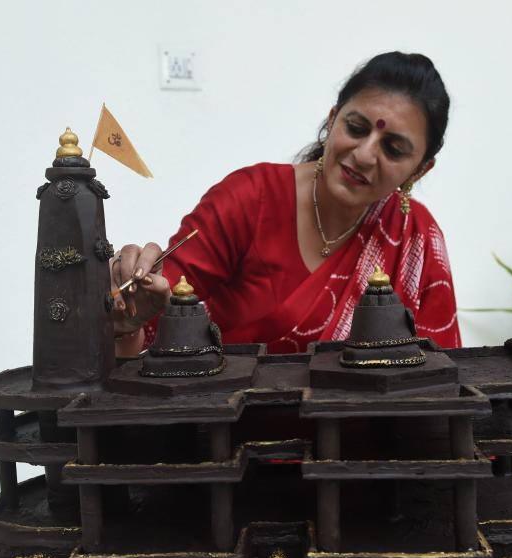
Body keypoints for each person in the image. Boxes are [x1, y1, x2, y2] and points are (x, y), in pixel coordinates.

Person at [112, 51, 460, 355]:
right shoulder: (250, 200)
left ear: (420, 170)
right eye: (355, 128)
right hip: (229, 424)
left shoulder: (416, 240)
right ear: (332, 119)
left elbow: (438, 375)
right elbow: (154, 320)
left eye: (393, 149)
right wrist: (129, 309)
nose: (366, 154)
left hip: (364, 430)